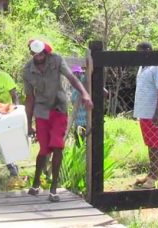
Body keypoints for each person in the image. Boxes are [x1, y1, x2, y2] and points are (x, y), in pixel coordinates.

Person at [23, 39, 93, 202]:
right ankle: (36, 182)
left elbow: (71, 78)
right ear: (32, 53)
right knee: (43, 149)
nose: (39, 57)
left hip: (58, 108)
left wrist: (84, 93)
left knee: (57, 146)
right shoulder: (27, 71)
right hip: (41, 111)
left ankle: (54, 188)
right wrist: (28, 124)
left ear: (45, 52)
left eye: (42, 53)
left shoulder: (56, 59)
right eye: (36, 54)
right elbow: (30, 98)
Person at [133, 42, 158, 189]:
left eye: (139, 51)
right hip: (145, 113)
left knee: (157, 145)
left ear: (148, 51)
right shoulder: (143, 67)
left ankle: (155, 178)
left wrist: (157, 114)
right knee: (150, 144)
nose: (137, 55)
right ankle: (151, 173)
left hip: (156, 114)